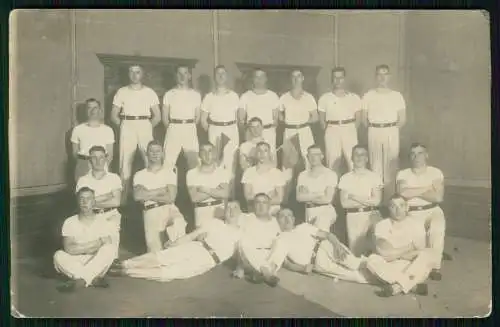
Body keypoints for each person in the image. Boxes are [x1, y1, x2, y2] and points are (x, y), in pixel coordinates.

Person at [108, 201, 243, 282]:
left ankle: (126, 272)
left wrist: (240, 268)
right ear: (224, 211)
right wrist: (175, 244)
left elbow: (242, 253)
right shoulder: (214, 223)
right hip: (197, 247)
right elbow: (191, 236)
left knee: (169, 274)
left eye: (234, 208)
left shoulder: (241, 233)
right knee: (162, 257)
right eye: (228, 208)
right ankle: (124, 264)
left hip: (208, 260)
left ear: (240, 211)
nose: (231, 211)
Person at [251, 208, 371, 286]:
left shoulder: (303, 227)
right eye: (283, 216)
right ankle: (387, 281)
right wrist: (302, 269)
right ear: (277, 221)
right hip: (318, 263)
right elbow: (284, 263)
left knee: (356, 264)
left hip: (326, 247)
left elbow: (327, 235)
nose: (287, 219)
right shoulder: (280, 239)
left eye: (289, 215)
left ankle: (385, 269)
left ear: (293, 219)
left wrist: (337, 245)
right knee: (354, 277)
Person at [396, 143, 447, 280]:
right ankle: (422, 265)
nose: (416, 156)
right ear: (409, 157)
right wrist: (427, 188)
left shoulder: (435, 172)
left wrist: (413, 191)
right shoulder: (403, 173)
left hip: (432, 210)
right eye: (413, 153)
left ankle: (435, 267)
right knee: (418, 242)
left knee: (437, 228)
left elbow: (438, 197)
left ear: (426, 155)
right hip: (412, 212)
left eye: (420, 153)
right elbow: (402, 193)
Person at [110, 65, 161, 202]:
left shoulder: (149, 92)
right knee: (124, 162)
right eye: (131, 72)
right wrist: (124, 126)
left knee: (149, 160)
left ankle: (150, 196)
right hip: (127, 124)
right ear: (128, 74)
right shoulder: (122, 92)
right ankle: (123, 200)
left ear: (142, 74)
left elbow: (157, 116)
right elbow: (114, 115)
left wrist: (147, 126)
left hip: (145, 124)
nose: (134, 75)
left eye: (137, 72)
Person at [53, 187, 119, 292]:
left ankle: (81, 279)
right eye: (81, 199)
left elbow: (106, 244)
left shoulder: (103, 222)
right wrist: (98, 243)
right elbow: (69, 249)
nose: (85, 202)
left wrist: (80, 247)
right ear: (77, 202)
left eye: (88, 199)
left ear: (94, 202)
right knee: (58, 255)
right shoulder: (69, 222)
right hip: (76, 261)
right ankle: (91, 278)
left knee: (109, 249)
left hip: (97, 260)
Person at [366, 195, 432, 297]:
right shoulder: (381, 225)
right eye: (393, 206)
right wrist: (409, 247)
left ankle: (396, 287)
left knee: (425, 256)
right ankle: (410, 285)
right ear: (389, 208)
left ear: (407, 207)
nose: (397, 210)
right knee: (372, 260)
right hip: (390, 266)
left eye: (401, 205)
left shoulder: (416, 225)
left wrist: (395, 253)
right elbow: (384, 253)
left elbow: (419, 251)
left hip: (411, 266)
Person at [361, 64, 406, 201]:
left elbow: (402, 119)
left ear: (389, 77)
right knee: (375, 166)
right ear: (375, 77)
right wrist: (376, 128)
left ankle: (390, 201)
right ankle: (376, 200)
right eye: (379, 74)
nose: (382, 77)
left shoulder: (397, 96)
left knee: (391, 166)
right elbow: (364, 118)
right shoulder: (368, 95)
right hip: (374, 130)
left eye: (385, 74)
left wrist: (390, 129)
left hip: (391, 131)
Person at [133, 140, 187, 253]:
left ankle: (175, 252)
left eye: (158, 151)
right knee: (155, 253)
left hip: (168, 208)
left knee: (179, 222)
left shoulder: (169, 173)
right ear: (146, 154)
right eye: (151, 151)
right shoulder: (140, 174)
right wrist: (161, 190)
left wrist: (148, 194)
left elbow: (171, 197)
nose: (155, 153)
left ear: (163, 153)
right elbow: (138, 196)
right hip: (150, 211)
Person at [76, 145, 122, 258]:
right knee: (91, 255)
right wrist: (108, 195)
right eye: (94, 158)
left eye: (101, 157)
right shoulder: (83, 180)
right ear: (89, 160)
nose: (98, 161)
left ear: (106, 158)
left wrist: (93, 201)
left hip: (110, 215)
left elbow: (116, 202)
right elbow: (83, 204)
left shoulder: (114, 178)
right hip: (91, 217)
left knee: (111, 254)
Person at [339, 144, 383, 256]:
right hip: (353, 217)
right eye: (356, 154)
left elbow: (376, 201)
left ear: (367, 158)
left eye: (362, 154)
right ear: (352, 158)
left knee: (376, 251)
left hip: (371, 215)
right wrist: (367, 199)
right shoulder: (345, 178)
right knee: (356, 254)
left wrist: (354, 197)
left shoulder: (374, 176)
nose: (359, 157)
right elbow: (344, 203)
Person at [318, 67, 362, 176]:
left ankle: (353, 190)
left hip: (349, 129)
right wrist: (332, 129)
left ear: (345, 79)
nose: (338, 81)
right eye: (335, 78)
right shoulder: (325, 98)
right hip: (332, 130)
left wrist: (349, 128)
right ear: (331, 79)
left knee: (353, 162)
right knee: (332, 163)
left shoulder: (354, 97)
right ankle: (333, 191)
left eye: (340, 77)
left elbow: (358, 119)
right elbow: (322, 122)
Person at [232, 193, 282, 283]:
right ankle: (266, 273)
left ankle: (262, 273)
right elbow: (238, 243)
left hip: (269, 257)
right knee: (243, 241)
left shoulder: (275, 221)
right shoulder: (245, 218)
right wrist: (239, 266)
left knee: (281, 241)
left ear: (269, 206)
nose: (261, 206)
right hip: (251, 257)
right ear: (253, 205)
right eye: (258, 203)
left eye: (264, 203)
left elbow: (277, 245)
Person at [201, 65, 240, 172]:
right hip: (215, 130)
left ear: (227, 76)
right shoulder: (209, 97)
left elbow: (239, 117)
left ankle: (230, 188)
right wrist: (213, 129)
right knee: (216, 162)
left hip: (231, 129)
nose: (221, 76)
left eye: (223, 73)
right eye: (218, 74)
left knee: (231, 163)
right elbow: (203, 120)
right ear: (214, 77)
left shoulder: (234, 96)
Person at [162, 65, 202, 170]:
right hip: (173, 128)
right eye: (179, 73)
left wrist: (188, 125)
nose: (182, 76)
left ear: (189, 76)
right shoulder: (169, 94)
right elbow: (165, 118)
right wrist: (174, 127)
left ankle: (194, 186)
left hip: (190, 129)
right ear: (176, 76)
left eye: (185, 73)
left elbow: (197, 117)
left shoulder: (195, 95)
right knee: (168, 162)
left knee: (194, 163)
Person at [279, 69, 317, 170]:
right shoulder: (284, 97)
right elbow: (279, 116)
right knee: (287, 164)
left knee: (309, 161)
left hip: (305, 131)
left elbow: (315, 117)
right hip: (289, 131)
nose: (296, 79)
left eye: (298, 76)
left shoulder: (309, 97)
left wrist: (302, 123)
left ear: (303, 78)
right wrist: (290, 122)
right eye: (293, 77)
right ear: (290, 79)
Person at [186, 143, 231, 228]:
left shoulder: (222, 172)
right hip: (201, 214)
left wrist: (205, 189)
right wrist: (216, 189)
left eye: (210, 151)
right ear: (199, 155)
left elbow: (225, 193)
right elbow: (195, 198)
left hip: (219, 213)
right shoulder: (191, 173)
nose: (207, 155)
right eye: (203, 152)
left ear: (214, 154)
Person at [71, 98, 115, 182]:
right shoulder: (77, 129)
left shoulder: (108, 130)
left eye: (95, 108)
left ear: (100, 110)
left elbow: (110, 155)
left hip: (101, 165)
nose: (92, 110)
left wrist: (100, 166)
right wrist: (83, 164)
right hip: (83, 165)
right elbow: (74, 153)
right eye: (89, 108)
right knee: (84, 192)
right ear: (86, 111)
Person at [296, 145, 337, 232]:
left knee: (320, 238)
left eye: (316, 155)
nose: (313, 158)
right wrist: (319, 194)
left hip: (325, 210)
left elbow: (327, 199)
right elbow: (299, 197)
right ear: (307, 157)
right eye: (310, 155)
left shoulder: (330, 174)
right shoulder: (303, 175)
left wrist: (308, 196)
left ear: (322, 156)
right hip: (309, 211)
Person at [238, 68, 280, 151]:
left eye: (261, 77)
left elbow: (276, 120)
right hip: (251, 133)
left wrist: (265, 130)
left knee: (269, 158)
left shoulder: (273, 96)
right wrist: (250, 132)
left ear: (266, 79)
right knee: (251, 158)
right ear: (252, 79)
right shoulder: (245, 96)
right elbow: (241, 120)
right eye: (256, 77)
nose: (259, 80)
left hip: (268, 133)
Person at [241, 141, 286, 215]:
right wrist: (269, 197)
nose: (262, 154)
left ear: (269, 154)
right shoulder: (248, 172)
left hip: (273, 213)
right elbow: (248, 198)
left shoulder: (277, 173)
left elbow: (279, 199)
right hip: (254, 213)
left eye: (265, 151)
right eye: (259, 151)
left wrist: (256, 198)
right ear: (255, 154)